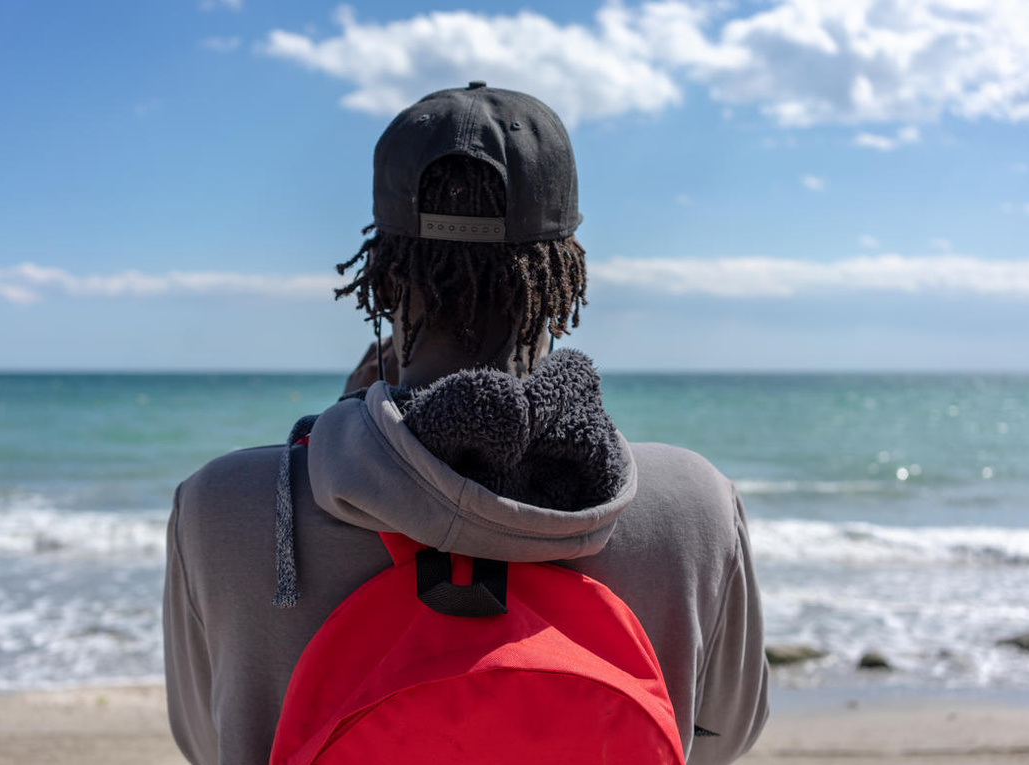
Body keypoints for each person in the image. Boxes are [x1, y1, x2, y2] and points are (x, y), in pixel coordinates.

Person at [163, 82, 768, 765]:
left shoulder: (226, 505)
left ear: (382, 277)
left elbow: (208, 739)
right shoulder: (694, 504)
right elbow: (722, 736)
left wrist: (340, 433)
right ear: (564, 272)